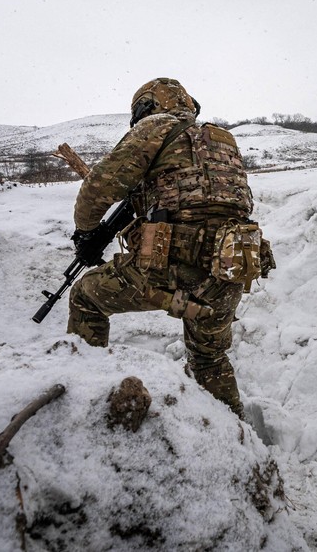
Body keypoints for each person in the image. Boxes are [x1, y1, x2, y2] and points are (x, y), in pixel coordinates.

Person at [67, 78, 270, 419]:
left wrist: (86, 233)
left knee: (86, 297)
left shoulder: (155, 126)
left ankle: (82, 397)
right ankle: (237, 437)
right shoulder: (221, 140)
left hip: (170, 265)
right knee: (209, 359)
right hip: (230, 268)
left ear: (148, 106)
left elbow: (98, 186)